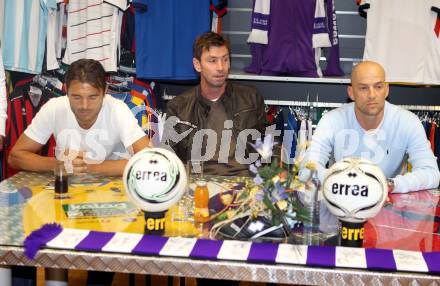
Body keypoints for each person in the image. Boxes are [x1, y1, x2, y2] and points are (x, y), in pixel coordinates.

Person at [301, 61, 440, 193]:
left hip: (388, 205)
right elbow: (307, 170)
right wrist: (343, 182)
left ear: (386, 90)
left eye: (378, 87)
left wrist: (391, 184)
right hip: (341, 203)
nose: (372, 95)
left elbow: (431, 173)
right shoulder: (331, 120)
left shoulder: (408, 122)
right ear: (351, 93)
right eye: (363, 88)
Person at [9, 58, 150, 176]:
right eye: (76, 97)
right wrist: (56, 164)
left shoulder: (117, 109)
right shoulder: (54, 107)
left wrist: (88, 167)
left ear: (105, 91)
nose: (84, 106)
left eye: (93, 97)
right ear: (66, 90)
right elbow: (15, 157)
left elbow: (150, 160)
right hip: (67, 190)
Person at [164, 31, 265, 176]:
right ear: (197, 65)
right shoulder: (178, 107)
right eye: (212, 60)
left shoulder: (251, 97)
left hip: (245, 182)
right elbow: (171, 158)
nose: (221, 67)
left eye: (225, 59)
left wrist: (270, 180)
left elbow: (269, 143)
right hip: (200, 184)